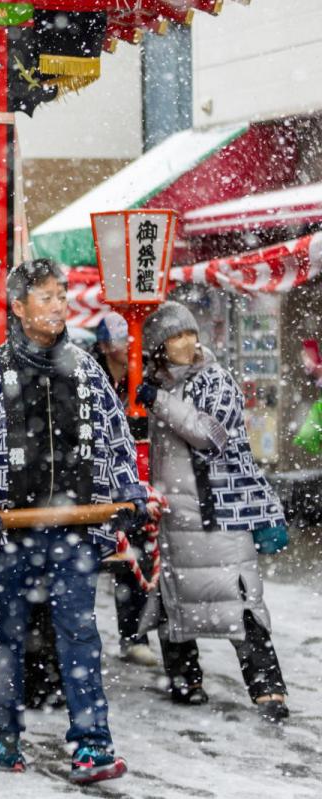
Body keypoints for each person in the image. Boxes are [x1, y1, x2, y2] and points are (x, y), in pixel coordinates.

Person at [0, 259, 148, 784]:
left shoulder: (87, 369)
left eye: (61, 296)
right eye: (46, 297)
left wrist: (127, 488)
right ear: (20, 307)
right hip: (9, 533)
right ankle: (3, 734)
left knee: (79, 634)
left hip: (75, 528)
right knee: (6, 637)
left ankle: (93, 746)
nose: (57, 306)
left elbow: (118, 441)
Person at [135, 301, 290, 723]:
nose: (187, 342)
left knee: (239, 599)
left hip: (215, 513)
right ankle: (185, 679)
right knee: (174, 600)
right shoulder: (155, 384)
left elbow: (211, 436)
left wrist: (161, 402)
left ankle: (267, 688)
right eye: (176, 336)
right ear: (159, 348)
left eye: (190, 333)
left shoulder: (215, 379)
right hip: (174, 517)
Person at [90, 311, 159, 667]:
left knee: (143, 555)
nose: (127, 346)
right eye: (119, 339)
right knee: (116, 556)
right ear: (103, 346)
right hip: (104, 479)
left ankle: (136, 635)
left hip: (143, 476)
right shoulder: (90, 378)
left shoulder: (146, 377)